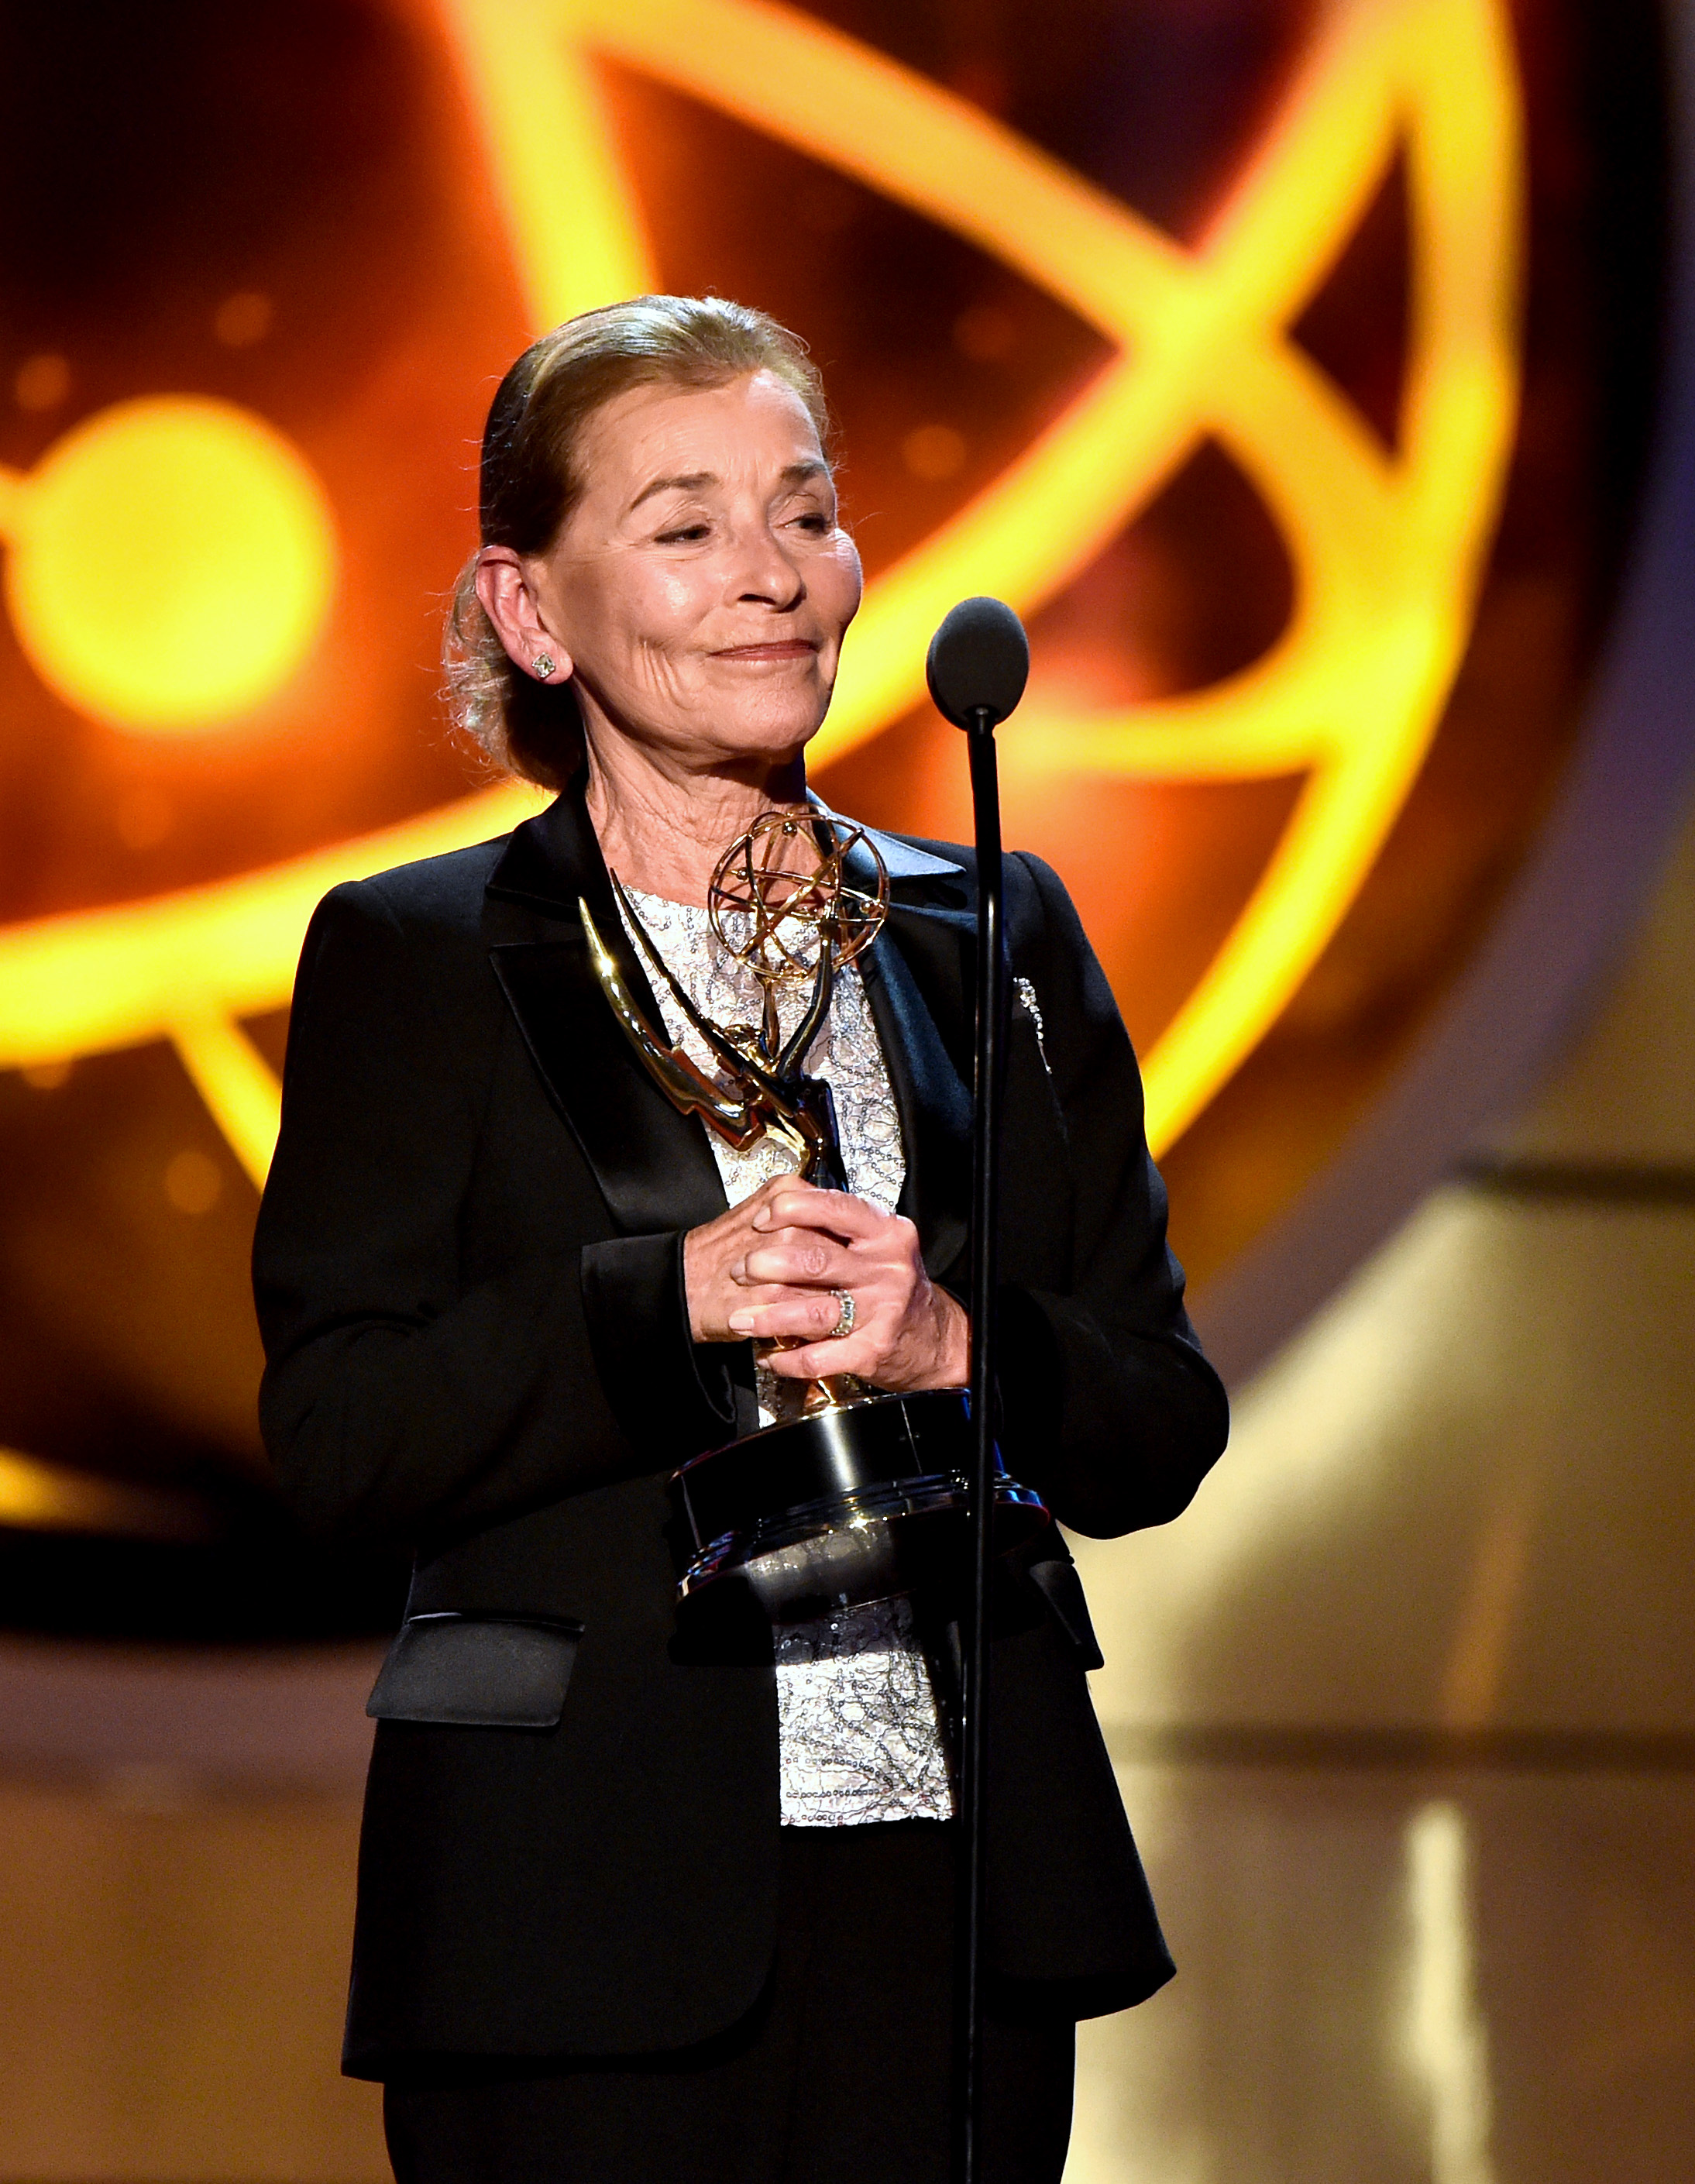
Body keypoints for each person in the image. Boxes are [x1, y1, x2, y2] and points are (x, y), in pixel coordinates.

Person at [253, 294, 1229, 2184]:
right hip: (574, 1898)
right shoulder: (418, 956)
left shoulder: (991, 934)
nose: (774, 577)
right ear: (532, 612)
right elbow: (339, 1433)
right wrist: (661, 1305)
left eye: (806, 510)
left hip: (954, 1898)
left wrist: (961, 1345)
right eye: (686, 528)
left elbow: (1156, 1419)